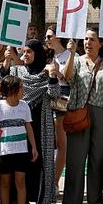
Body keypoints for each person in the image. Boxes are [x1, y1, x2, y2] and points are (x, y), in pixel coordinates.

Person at [1, 39, 60, 204]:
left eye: (29, 52)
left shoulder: (46, 71)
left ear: (38, 54)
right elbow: (3, 83)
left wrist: (52, 76)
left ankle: (41, 203)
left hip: (41, 125)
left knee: (41, 163)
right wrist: (6, 61)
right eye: (23, 52)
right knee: (21, 164)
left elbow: (54, 95)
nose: (25, 55)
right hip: (19, 125)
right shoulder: (17, 71)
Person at [61, 30, 103, 204]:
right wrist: (70, 53)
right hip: (79, 111)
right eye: (85, 38)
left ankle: (96, 200)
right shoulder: (77, 60)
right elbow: (67, 76)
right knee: (75, 158)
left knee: (98, 158)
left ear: (100, 43)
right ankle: (70, 201)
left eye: (92, 39)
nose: (87, 42)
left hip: (101, 112)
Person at [0, 75, 39, 204]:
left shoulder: (24, 106)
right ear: (12, 90)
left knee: (20, 182)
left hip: (21, 150)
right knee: (4, 182)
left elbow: (29, 128)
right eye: (21, 88)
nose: (23, 90)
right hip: (4, 151)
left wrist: (34, 147)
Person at [44, 27, 71, 193]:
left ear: (58, 38)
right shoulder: (46, 55)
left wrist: (58, 73)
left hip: (62, 96)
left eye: (49, 36)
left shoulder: (69, 55)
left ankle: (54, 182)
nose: (46, 39)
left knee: (61, 142)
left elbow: (72, 79)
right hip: (46, 96)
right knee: (47, 141)